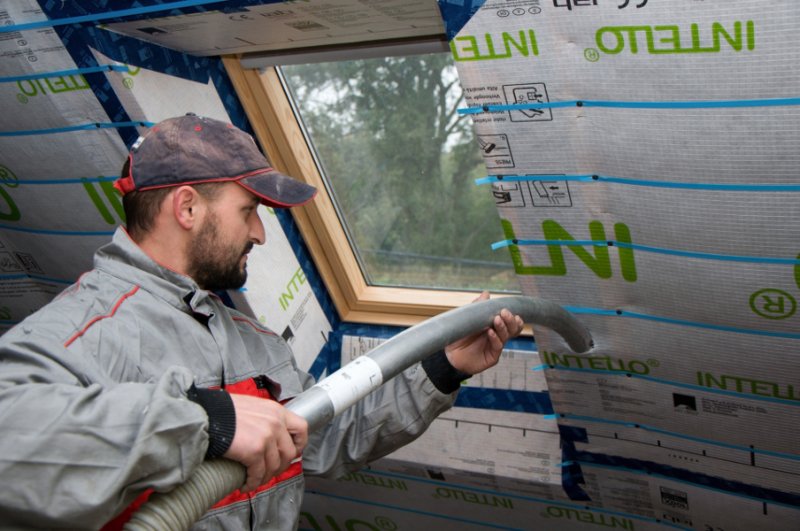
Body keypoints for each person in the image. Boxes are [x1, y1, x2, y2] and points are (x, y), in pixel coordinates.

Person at [0, 114, 524, 530]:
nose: (260, 233)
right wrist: (203, 419)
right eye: (248, 210)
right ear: (187, 208)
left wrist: (443, 366)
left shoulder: (255, 343)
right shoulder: (87, 329)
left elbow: (323, 438)